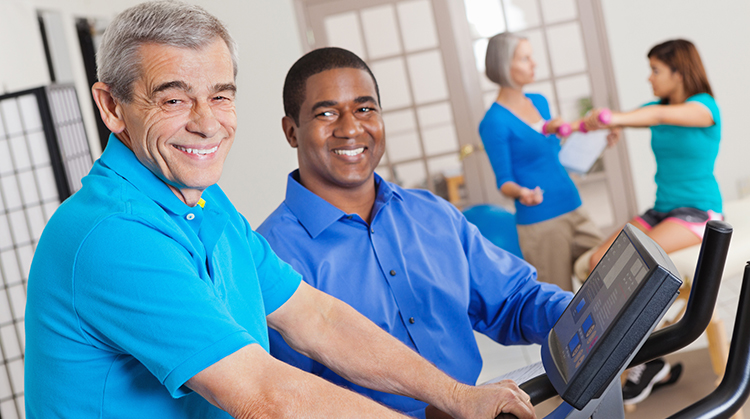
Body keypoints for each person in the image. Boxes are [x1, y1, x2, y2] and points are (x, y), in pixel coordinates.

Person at [23, 2, 538, 418]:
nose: (207, 124)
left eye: (220, 95)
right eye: (174, 100)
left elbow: (319, 318)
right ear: (113, 107)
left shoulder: (206, 204)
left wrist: (458, 397)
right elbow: (266, 397)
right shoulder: (111, 233)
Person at [257, 46, 574, 419]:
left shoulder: (432, 214)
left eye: (365, 109)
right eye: (327, 113)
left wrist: (590, 316)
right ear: (291, 131)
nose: (351, 128)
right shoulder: (268, 257)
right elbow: (287, 399)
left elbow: (515, 300)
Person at [581, 38, 720, 405]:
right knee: (598, 262)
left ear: (679, 72)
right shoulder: (655, 107)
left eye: (656, 70)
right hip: (661, 209)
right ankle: (632, 357)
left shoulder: (704, 108)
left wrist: (619, 119)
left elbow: (656, 118)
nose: (649, 78)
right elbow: (643, 115)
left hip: (698, 211)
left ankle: (647, 359)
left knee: (643, 265)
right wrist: (607, 126)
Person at [478, 32, 610, 291]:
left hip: (573, 205)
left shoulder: (539, 102)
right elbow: (504, 181)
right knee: (559, 306)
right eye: (525, 58)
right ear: (505, 65)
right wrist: (522, 193)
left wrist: (601, 137)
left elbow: (553, 152)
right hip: (541, 222)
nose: (534, 64)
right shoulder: (493, 122)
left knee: (609, 278)